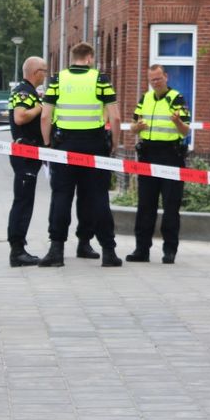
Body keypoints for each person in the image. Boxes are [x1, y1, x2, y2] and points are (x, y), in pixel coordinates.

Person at [37, 42, 123, 268]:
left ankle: (56, 250)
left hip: (64, 146)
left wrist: (47, 144)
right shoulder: (100, 79)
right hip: (94, 147)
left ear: (72, 57)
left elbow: (45, 117)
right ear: (90, 58)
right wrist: (113, 144)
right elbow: (114, 118)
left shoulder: (57, 80)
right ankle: (107, 251)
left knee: (61, 197)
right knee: (97, 198)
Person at [127, 65, 192, 264]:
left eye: (158, 79)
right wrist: (137, 127)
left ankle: (169, 250)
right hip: (148, 155)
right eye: (152, 80)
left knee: (171, 205)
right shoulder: (145, 99)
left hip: (170, 155)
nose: (156, 83)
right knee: (145, 205)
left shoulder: (177, 98)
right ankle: (141, 249)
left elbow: (185, 131)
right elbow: (132, 128)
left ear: (166, 77)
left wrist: (177, 122)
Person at [7, 56, 49, 267]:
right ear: (35, 72)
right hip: (25, 152)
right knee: (23, 201)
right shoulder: (23, 92)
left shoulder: (29, 92)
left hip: (30, 152)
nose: (46, 74)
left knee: (25, 201)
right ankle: (17, 250)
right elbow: (20, 117)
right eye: (44, 70)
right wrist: (40, 108)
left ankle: (19, 247)